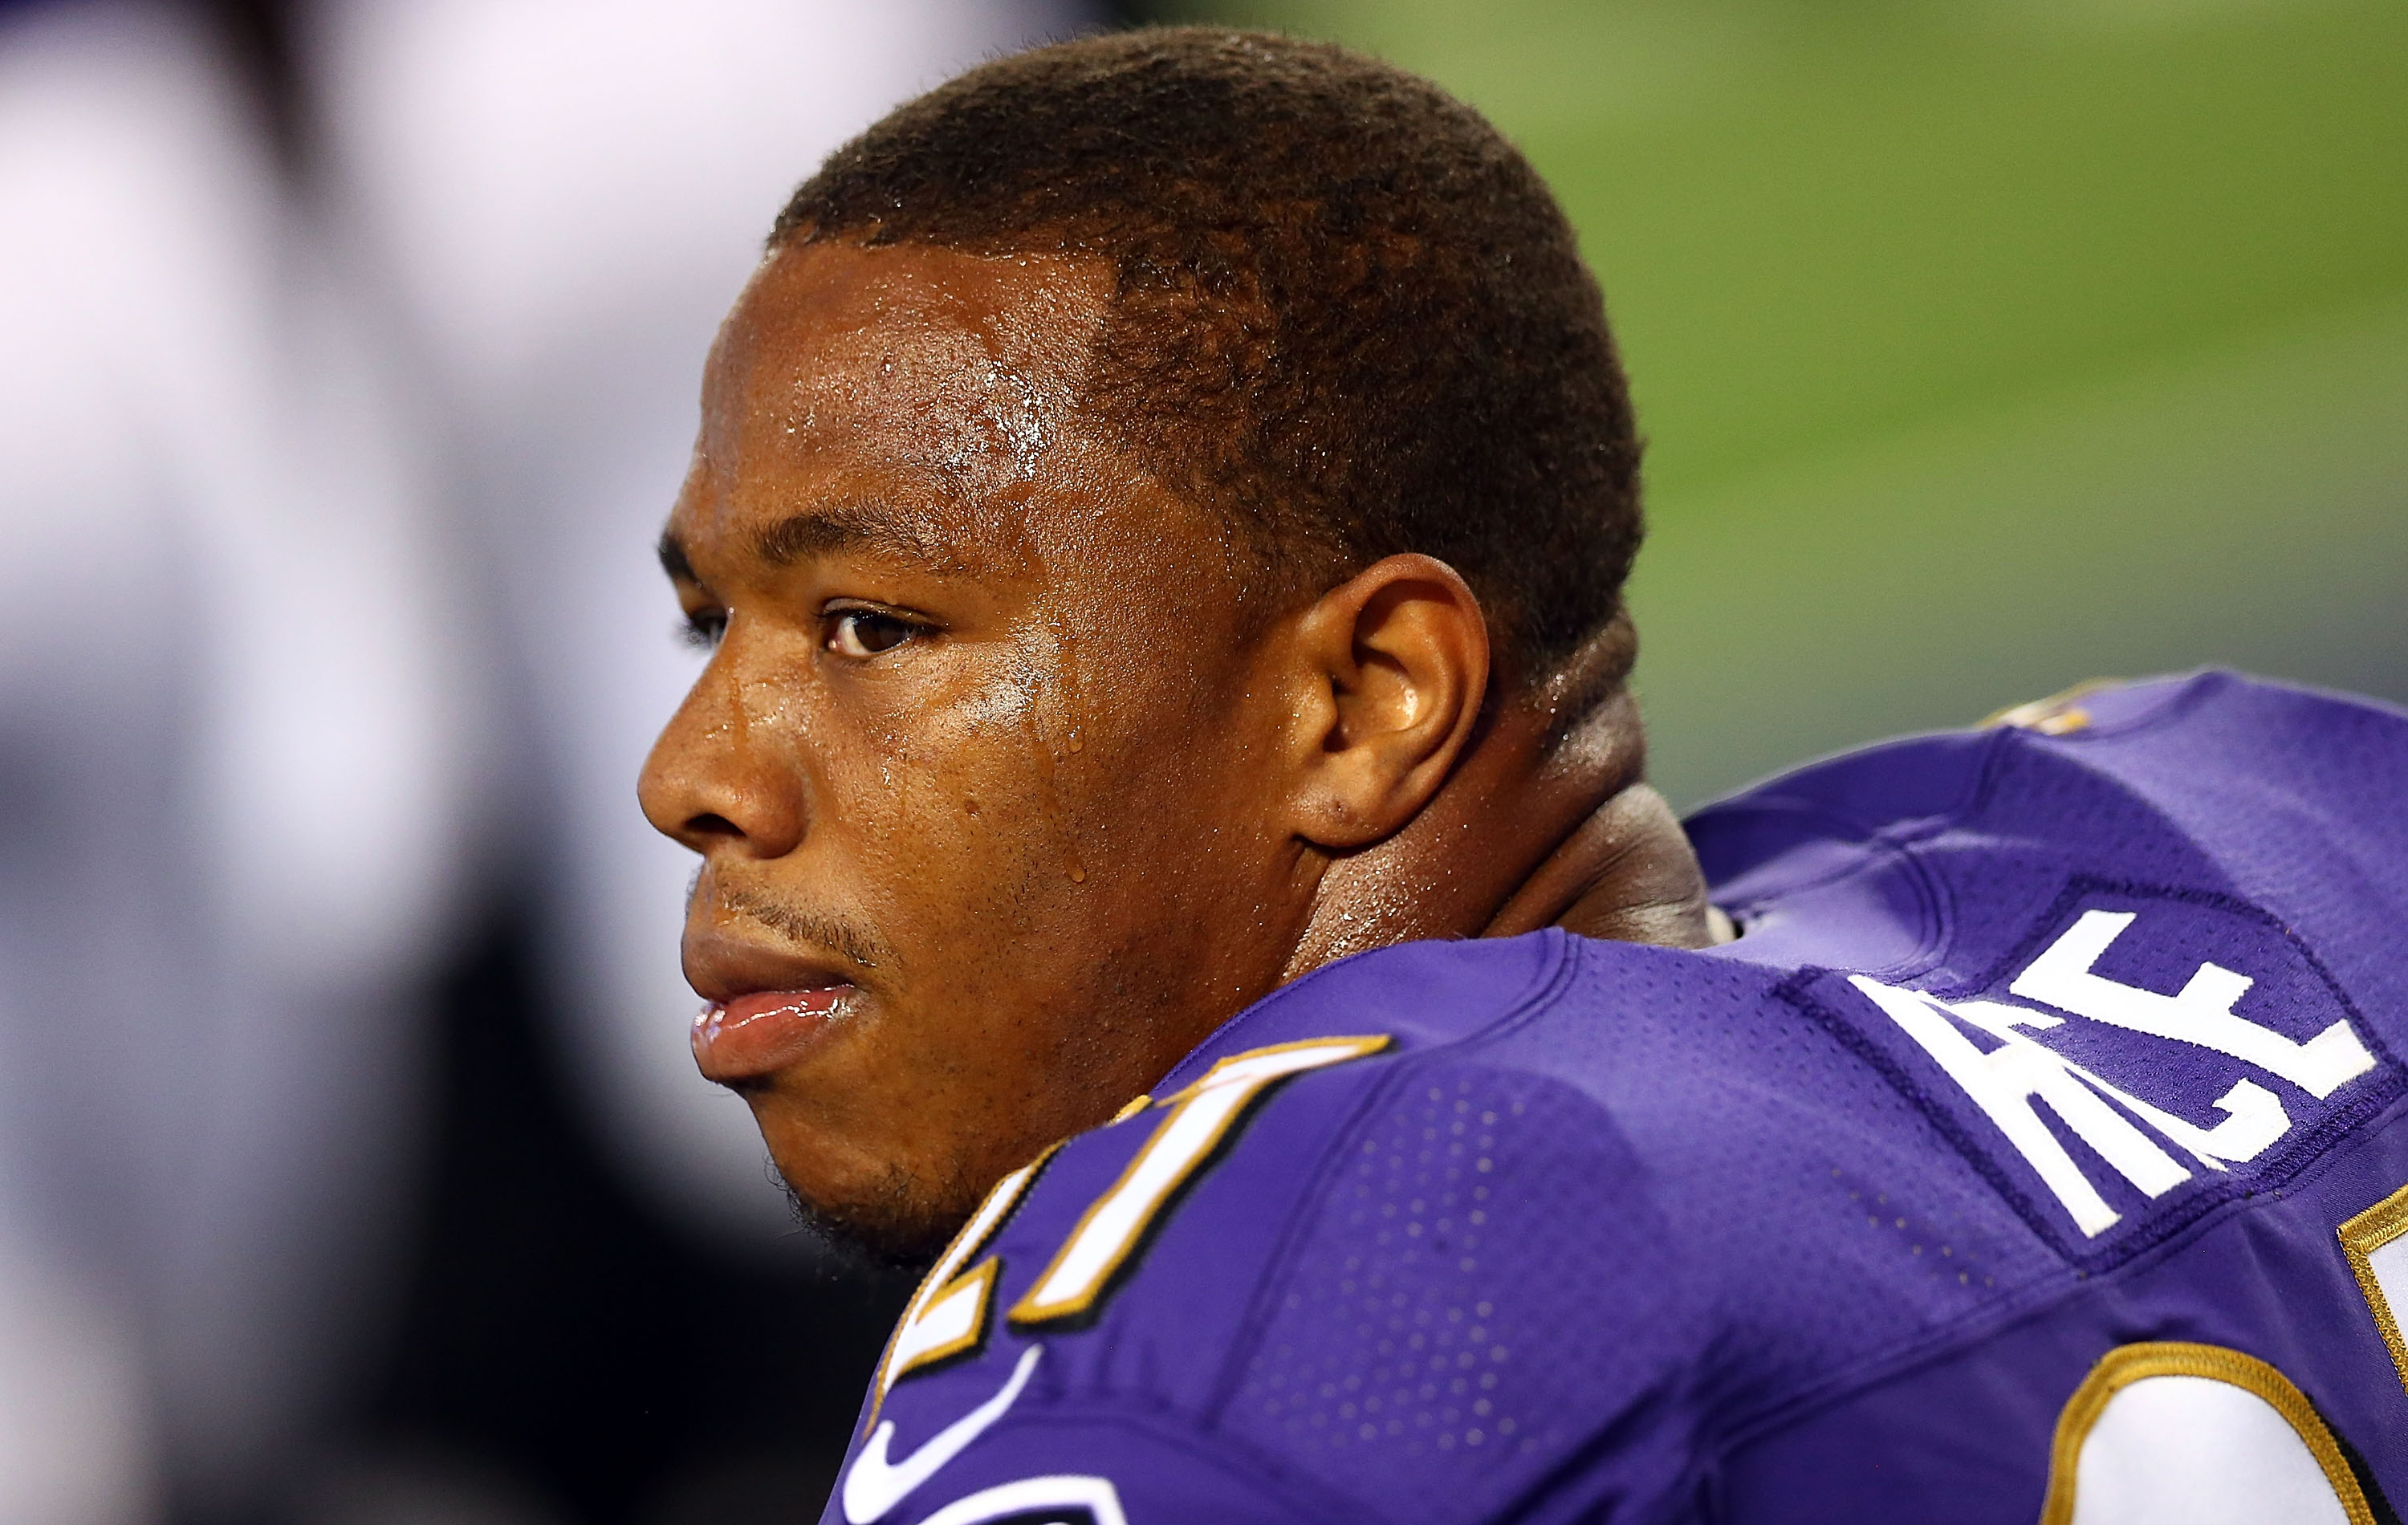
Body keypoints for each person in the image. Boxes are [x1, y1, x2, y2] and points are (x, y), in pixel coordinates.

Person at [638, 28, 2408, 1524]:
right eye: (709, 623)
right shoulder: (2270, 818)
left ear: (1368, 701)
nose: (690, 775)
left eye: (871, 626)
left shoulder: (1300, 1287)